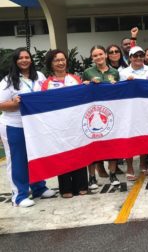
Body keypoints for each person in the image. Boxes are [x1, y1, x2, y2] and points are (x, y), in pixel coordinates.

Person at [0, 48, 56, 207]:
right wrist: (14, 103)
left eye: (27, 57)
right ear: (15, 61)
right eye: (20, 58)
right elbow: (1, 105)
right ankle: (19, 195)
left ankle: (39, 187)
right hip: (14, 125)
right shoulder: (8, 80)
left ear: (31, 60)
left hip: (35, 125)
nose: (24, 60)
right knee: (18, 160)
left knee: (36, 156)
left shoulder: (39, 76)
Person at [42, 49, 89, 198]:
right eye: (56, 60)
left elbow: (84, 99)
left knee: (79, 154)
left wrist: (88, 86)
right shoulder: (46, 84)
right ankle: (65, 188)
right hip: (58, 127)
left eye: (63, 59)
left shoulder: (75, 79)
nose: (60, 63)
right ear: (51, 63)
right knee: (62, 156)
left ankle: (81, 185)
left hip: (76, 125)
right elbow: (43, 105)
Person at [82, 45, 121, 187]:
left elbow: (119, 92)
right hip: (93, 112)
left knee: (112, 144)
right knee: (93, 145)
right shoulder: (88, 72)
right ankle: (92, 177)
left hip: (110, 112)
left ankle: (112, 174)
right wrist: (86, 84)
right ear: (92, 58)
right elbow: (82, 90)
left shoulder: (115, 72)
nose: (98, 57)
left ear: (105, 55)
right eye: (95, 55)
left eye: (100, 54)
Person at [119, 46, 148, 180]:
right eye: (135, 56)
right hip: (128, 110)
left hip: (145, 108)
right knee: (129, 137)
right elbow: (119, 92)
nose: (139, 58)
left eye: (141, 55)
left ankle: (142, 163)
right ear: (130, 58)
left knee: (143, 135)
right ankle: (129, 167)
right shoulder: (123, 72)